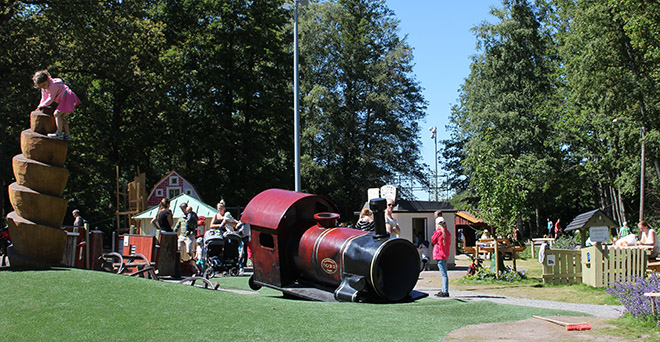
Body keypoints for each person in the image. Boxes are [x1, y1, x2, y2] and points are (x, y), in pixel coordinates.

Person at [33, 70, 81, 141]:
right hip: (66, 98)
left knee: (57, 113)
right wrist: (39, 106)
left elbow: (50, 98)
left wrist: (42, 106)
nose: (43, 87)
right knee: (62, 117)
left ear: (48, 79)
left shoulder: (53, 86)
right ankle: (67, 135)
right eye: (41, 86)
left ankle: (59, 133)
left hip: (67, 96)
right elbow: (44, 98)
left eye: (44, 85)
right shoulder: (44, 88)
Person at [432, 216, 451, 297]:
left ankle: (445, 291)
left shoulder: (438, 232)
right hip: (445, 254)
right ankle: (443, 289)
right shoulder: (448, 233)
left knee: (444, 274)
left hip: (439, 254)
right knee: (444, 273)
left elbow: (433, 240)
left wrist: (436, 231)